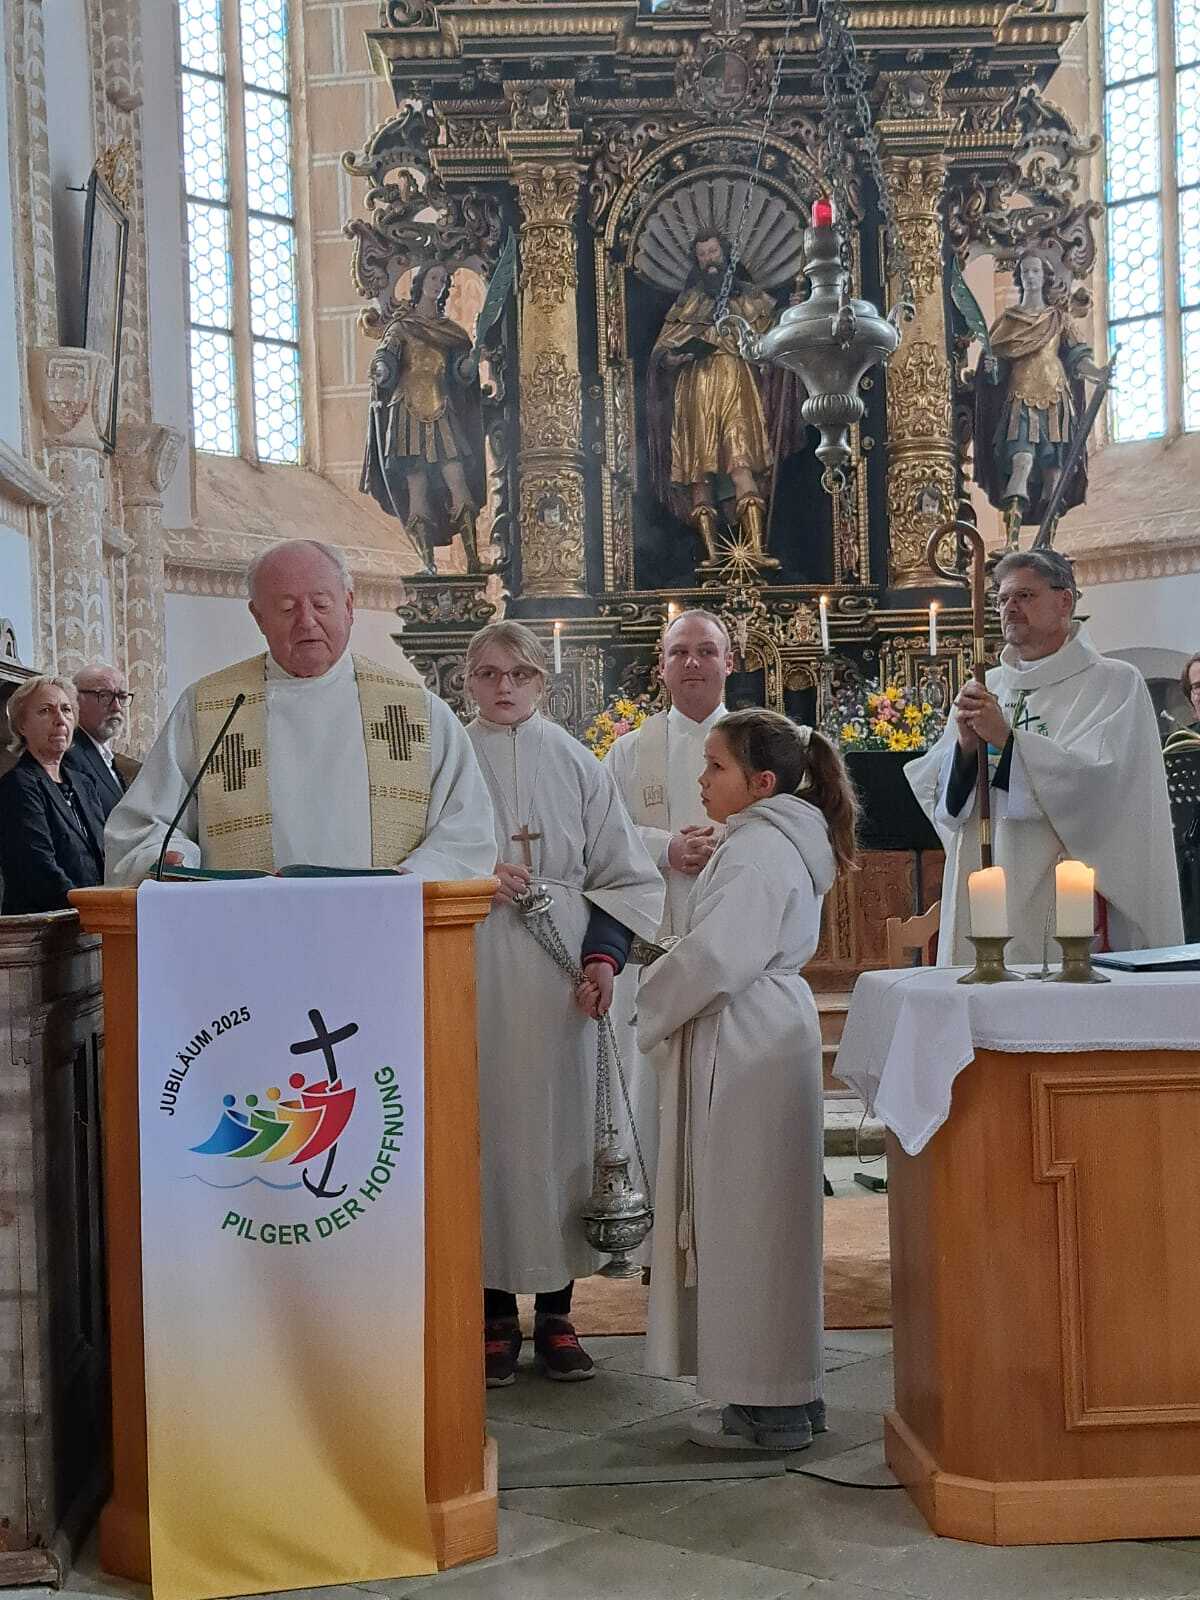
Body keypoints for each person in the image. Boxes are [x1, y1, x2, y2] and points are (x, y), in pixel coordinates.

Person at [636, 709, 858, 1451]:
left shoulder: (759, 848)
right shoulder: (776, 836)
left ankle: (769, 1406)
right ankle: (785, 1393)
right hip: (765, 1028)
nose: (701, 779)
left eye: (716, 766)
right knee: (765, 1218)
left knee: (748, 1220)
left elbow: (718, 959)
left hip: (746, 1035)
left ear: (761, 782)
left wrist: (651, 996)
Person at [465, 621, 663, 1387]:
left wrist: (604, 958)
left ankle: (556, 1315)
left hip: (562, 982)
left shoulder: (578, 762)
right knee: (487, 1135)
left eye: (518, 673)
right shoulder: (447, 759)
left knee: (563, 1137)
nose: (503, 687)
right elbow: (411, 855)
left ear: (541, 683)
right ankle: (490, 1316)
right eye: (488, 673)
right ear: (467, 682)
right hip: (476, 969)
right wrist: (477, 872)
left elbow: (622, 874)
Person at [105, 540, 497, 883]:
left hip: (382, 925)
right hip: (244, 927)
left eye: (321, 604)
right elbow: (143, 827)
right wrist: (172, 859)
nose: (307, 621)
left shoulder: (416, 711)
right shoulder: (211, 709)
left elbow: (466, 832)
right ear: (258, 617)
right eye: (287, 608)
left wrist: (411, 879)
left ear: (349, 606)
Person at [906, 549, 1183, 965]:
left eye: (1024, 596)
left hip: (1064, 885)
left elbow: (1103, 788)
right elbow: (947, 805)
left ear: (1064, 601)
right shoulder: (987, 686)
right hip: (986, 876)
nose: (1009, 608)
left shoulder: (1113, 683)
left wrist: (1008, 740)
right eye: (1002, 599)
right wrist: (964, 749)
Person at [604, 608, 733, 1209]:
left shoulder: (765, 744)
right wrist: (667, 849)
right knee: (650, 1086)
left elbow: (792, 825)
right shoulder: (630, 752)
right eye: (679, 652)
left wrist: (726, 843)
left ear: (729, 662)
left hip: (730, 944)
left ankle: (721, 1214)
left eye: (705, 651)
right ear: (661, 667)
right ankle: (653, 1220)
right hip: (649, 946)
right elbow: (599, 841)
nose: (692, 663)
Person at [647, 233, 795, 569]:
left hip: (736, 382)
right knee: (699, 471)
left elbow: (773, 336)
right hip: (695, 388)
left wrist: (792, 310)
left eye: (713, 252)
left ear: (725, 254)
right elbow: (661, 350)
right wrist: (672, 358)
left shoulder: (749, 296)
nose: (709, 260)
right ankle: (712, 556)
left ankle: (756, 551)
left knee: (742, 461)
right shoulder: (688, 302)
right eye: (702, 255)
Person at [974, 249, 1110, 549]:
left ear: (1045, 276)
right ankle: (1011, 542)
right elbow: (994, 375)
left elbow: (1077, 358)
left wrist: (1097, 373)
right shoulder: (1007, 322)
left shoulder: (1059, 319)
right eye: (1026, 271)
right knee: (1020, 462)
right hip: (1020, 399)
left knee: (1053, 472)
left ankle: (1045, 544)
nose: (1031, 276)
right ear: (1020, 277)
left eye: (1036, 270)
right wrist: (990, 370)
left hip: (1055, 398)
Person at [360, 261, 489, 574]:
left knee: (458, 481)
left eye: (443, 280)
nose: (438, 284)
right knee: (416, 487)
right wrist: (382, 369)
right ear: (420, 283)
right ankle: (427, 564)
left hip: (443, 408)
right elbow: (386, 357)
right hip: (406, 411)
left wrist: (467, 368)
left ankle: (473, 560)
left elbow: (460, 374)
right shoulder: (402, 327)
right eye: (433, 277)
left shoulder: (452, 333)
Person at [0, 676, 106, 913]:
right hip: (46, 924)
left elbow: (104, 854)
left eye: (66, 710)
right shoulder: (17, 785)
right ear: (21, 725)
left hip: (92, 917)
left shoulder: (84, 783)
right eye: (45, 711)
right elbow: (38, 868)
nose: (60, 720)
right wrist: (89, 911)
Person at [64, 662, 140, 820]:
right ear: (75, 700)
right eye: (105, 696)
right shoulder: (68, 753)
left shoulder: (105, 753)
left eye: (121, 697)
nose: (117, 707)